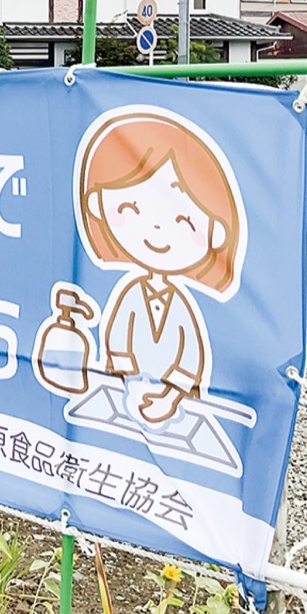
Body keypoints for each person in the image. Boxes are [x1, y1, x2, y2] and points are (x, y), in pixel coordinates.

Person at [78, 110, 244, 424]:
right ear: (99, 204)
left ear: (215, 234)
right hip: (124, 393)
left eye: (183, 221)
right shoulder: (131, 295)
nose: (156, 229)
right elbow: (117, 342)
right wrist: (128, 382)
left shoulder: (180, 305)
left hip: (173, 405)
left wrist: (170, 396)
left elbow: (190, 357)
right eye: (131, 208)